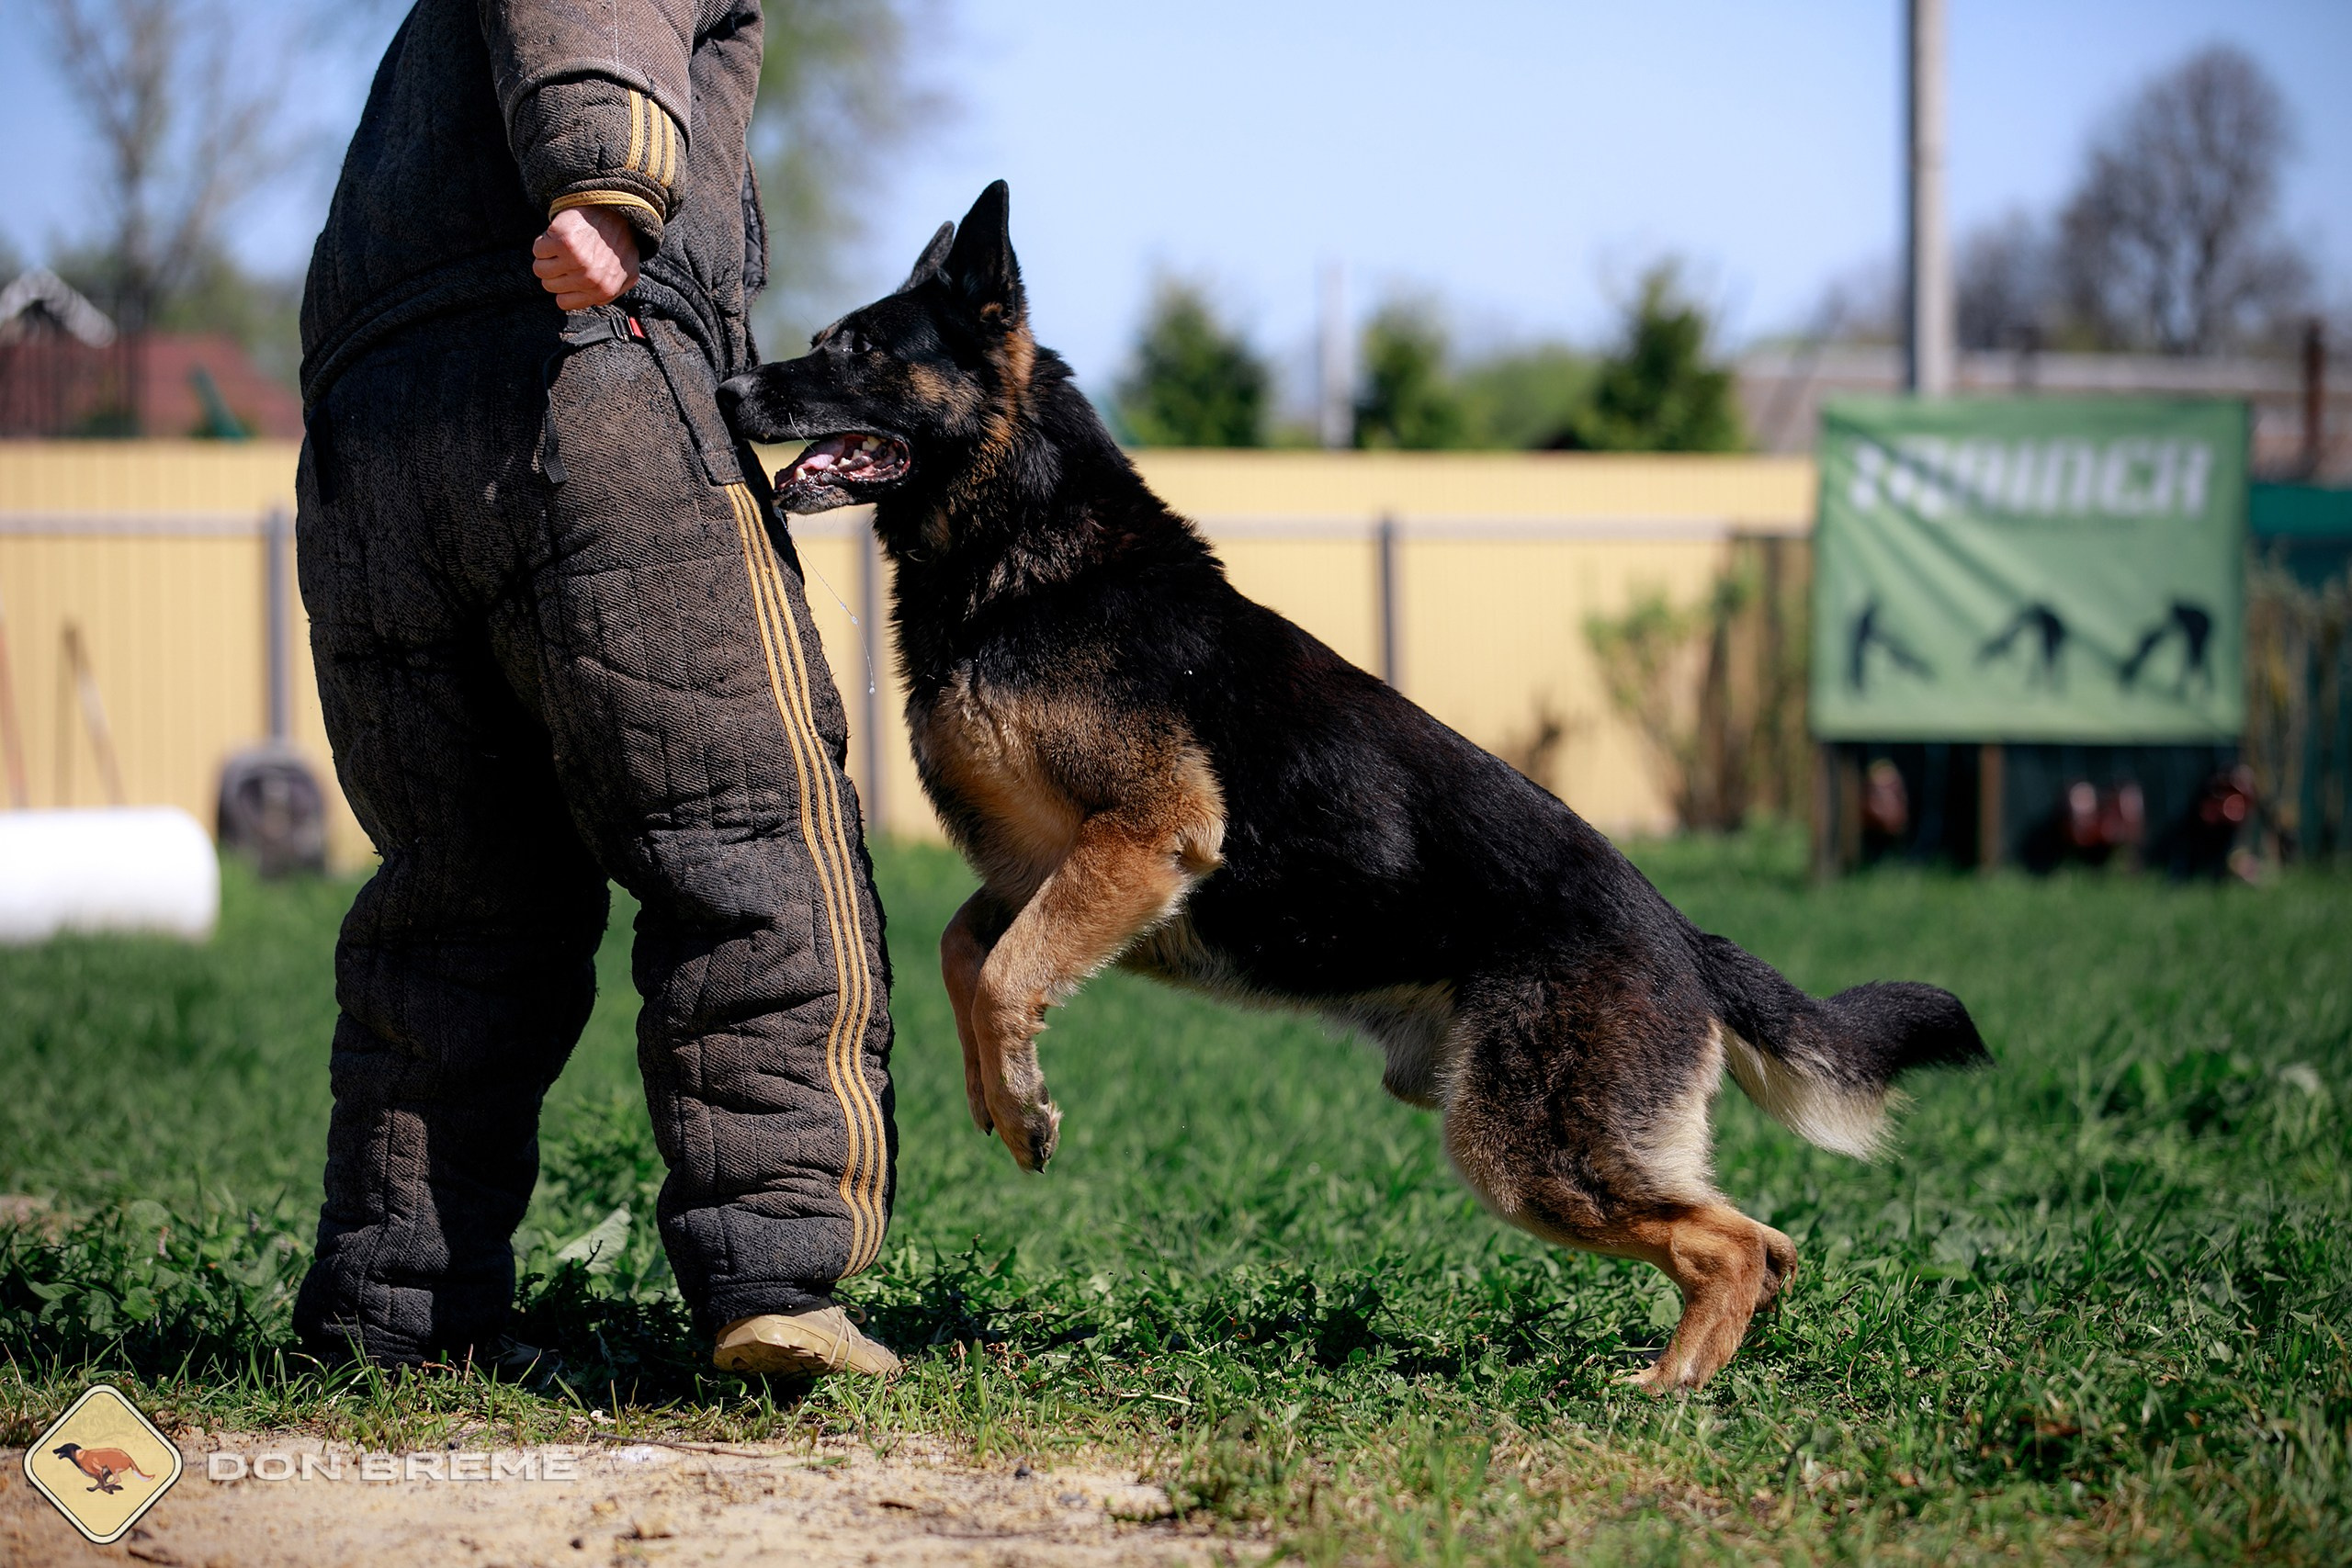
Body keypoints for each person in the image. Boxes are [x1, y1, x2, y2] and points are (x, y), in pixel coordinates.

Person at [289, 0, 898, 1381]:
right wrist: (606, 174)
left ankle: (397, 1310)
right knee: (747, 838)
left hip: (369, 447)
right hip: (588, 370)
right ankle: (776, 1266)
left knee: (459, 906)